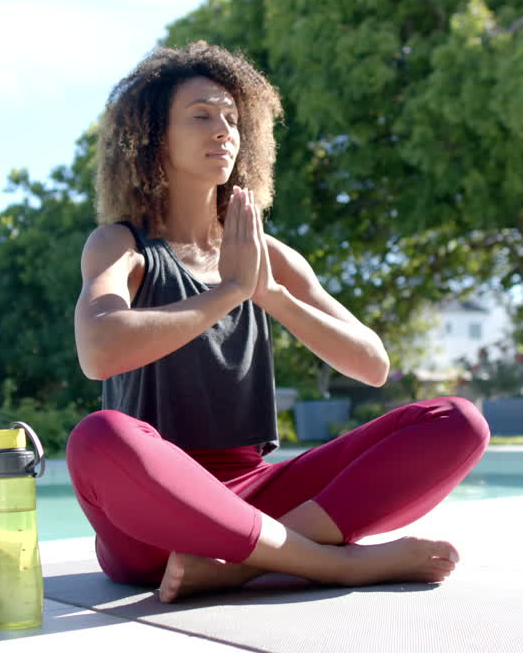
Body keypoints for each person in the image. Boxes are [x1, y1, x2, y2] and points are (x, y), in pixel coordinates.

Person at [67, 41, 489, 603]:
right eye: (200, 116)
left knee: (456, 420)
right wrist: (229, 292)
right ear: (152, 139)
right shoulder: (120, 246)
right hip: (155, 522)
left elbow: (372, 364)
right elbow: (98, 350)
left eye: (232, 118)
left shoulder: (268, 255)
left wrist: (268, 293)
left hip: (256, 496)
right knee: (99, 438)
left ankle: (239, 567)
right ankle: (331, 565)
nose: (223, 130)